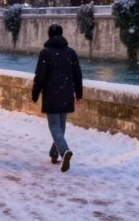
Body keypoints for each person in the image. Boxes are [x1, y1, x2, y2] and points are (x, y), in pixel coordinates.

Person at [32, 23, 83, 172]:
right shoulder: (71, 53)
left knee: (55, 126)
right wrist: (78, 94)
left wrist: (35, 94)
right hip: (66, 93)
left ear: (49, 35)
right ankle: (54, 153)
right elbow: (77, 75)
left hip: (51, 94)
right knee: (61, 126)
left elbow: (39, 77)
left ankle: (64, 151)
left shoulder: (45, 53)